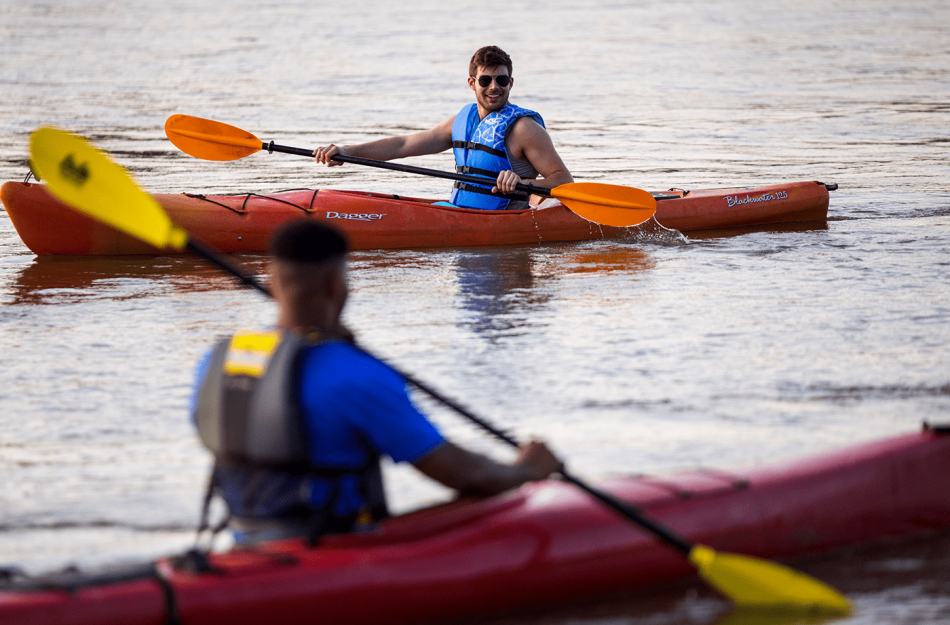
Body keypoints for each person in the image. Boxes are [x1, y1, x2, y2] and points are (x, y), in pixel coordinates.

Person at [191, 219, 561, 545]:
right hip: (335, 552)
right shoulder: (356, 374)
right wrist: (527, 470)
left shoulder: (221, 358)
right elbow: (461, 474)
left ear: (272, 280)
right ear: (336, 285)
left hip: (244, 542)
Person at [313, 45, 574, 211]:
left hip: (504, 220)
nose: (494, 86)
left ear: (511, 83)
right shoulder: (460, 122)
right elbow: (402, 145)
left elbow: (564, 180)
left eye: (501, 79)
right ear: (472, 83)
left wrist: (523, 182)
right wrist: (346, 151)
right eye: (485, 79)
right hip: (458, 211)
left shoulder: (524, 128)